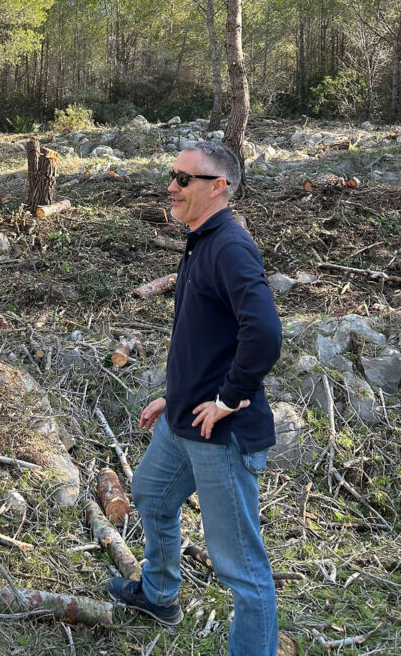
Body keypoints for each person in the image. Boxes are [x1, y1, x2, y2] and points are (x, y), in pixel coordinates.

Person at [107, 141, 282, 656]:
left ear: (218, 187)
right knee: (151, 496)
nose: (172, 186)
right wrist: (174, 396)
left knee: (242, 569)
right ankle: (159, 595)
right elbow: (207, 336)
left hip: (220, 435)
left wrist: (228, 398)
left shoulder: (229, 245)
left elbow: (265, 334)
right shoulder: (199, 240)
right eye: (172, 176)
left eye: (184, 179)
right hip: (182, 422)